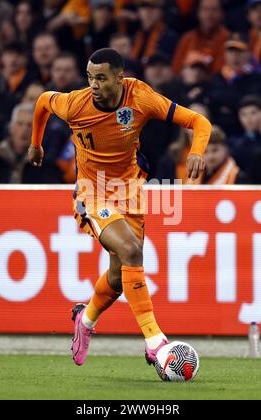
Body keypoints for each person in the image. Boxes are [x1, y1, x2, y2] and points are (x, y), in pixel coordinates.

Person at [28, 48, 212, 367]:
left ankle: (84, 320)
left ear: (119, 77)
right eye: (90, 77)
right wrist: (36, 142)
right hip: (91, 193)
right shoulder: (75, 104)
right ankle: (155, 341)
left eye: (101, 77)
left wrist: (197, 150)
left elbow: (199, 121)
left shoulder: (140, 97)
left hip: (131, 193)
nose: (94, 84)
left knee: (117, 277)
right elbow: (44, 100)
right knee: (131, 251)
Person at [0, 103, 62, 184]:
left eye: (29, 125)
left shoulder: (45, 165)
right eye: (20, 124)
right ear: (11, 127)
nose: (24, 130)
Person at [172, 0, 229, 75]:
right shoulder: (187, 38)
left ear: (222, 13)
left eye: (214, 10)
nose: (209, 15)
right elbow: (175, 70)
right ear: (198, 12)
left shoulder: (227, 39)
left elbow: (221, 73)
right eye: (205, 9)